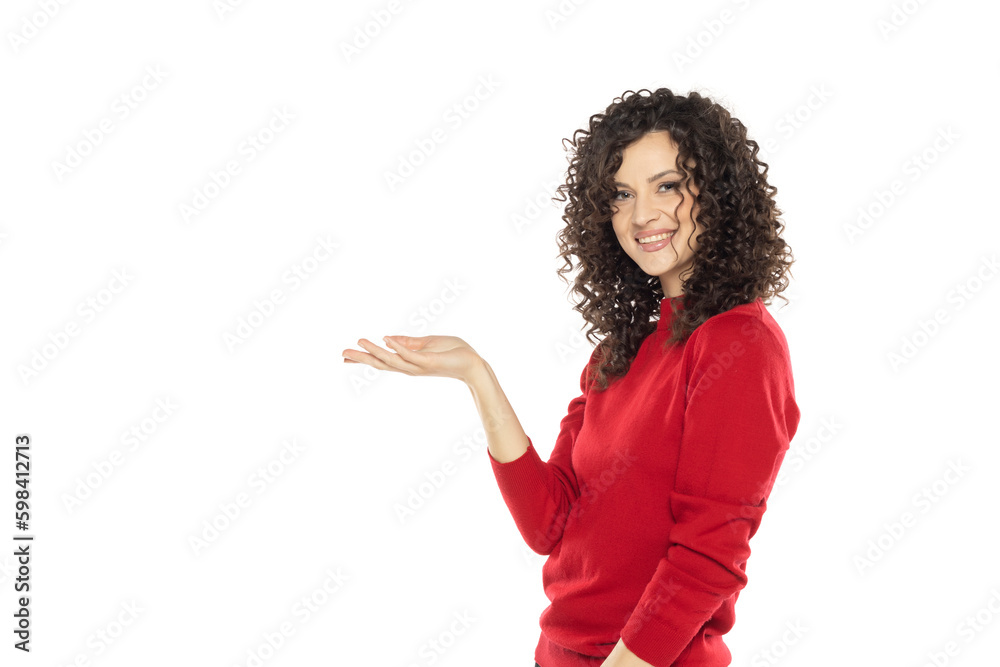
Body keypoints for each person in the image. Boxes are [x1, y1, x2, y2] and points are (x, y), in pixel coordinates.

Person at [342, 88, 800, 667]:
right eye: (622, 194)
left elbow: (708, 558)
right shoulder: (620, 352)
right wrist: (477, 376)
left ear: (718, 196)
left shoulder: (738, 343)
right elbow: (549, 523)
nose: (641, 216)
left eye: (667, 186)